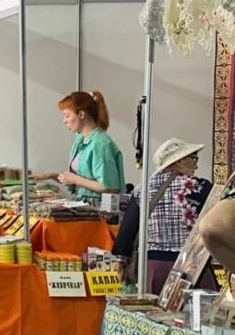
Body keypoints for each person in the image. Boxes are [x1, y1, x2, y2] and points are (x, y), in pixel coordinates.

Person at [114, 139, 213, 295]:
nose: (196, 165)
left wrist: (121, 262)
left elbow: (128, 229)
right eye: (194, 158)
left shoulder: (143, 188)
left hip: (152, 265)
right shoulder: (200, 187)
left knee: (154, 314)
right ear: (179, 160)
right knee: (196, 313)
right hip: (189, 264)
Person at [36, 91, 124, 205]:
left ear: (81, 115)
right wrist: (49, 176)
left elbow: (109, 186)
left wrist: (75, 179)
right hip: (83, 203)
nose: (64, 121)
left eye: (67, 116)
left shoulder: (100, 144)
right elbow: (76, 179)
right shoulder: (80, 140)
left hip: (98, 208)